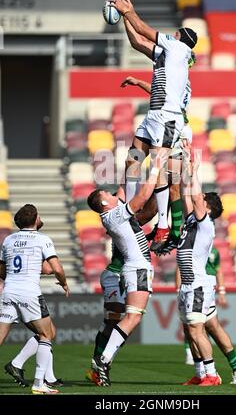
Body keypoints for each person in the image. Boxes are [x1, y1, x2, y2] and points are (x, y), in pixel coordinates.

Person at [110, 0, 197, 251]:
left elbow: (144, 30)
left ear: (181, 39)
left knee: (160, 173)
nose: (172, 35)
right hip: (154, 115)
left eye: (176, 34)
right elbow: (137, 42)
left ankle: (162, 224)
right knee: (132, 159)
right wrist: (125, 17)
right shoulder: (168, 57)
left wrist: (127, 11)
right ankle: (129, 203)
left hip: (168, 119)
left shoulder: (179, 48)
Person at [85, 151, 166, 386]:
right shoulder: (114, 215)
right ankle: (104, 360)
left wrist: (134, 159)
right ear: (103, 203)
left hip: (135, 267)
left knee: (130, 318)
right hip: (138, 268)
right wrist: (156, 167)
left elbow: (125, 185)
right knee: (131, 318)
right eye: (108, 195)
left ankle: (103, 360)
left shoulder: (111, 212)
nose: (114, 195)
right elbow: (140, 198)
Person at [120, 69, 194, 254]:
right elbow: (157, 92)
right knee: (132, 162)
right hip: (152, 120)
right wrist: (138, 82)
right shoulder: (165, 73)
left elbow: (165, 96)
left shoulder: (181, 80)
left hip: (171, 124)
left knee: (171, 181)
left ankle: (170, 229)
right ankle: (129, 211)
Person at [0, 204, 69, 394]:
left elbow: (1, 269)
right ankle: (39, 383)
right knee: (47, 335)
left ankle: (17, 364)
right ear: (36, 219)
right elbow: (56, 268)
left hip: (8, 291)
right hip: (29, 293)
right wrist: (63, 283)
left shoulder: (8, 240)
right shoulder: (42, 239)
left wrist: (15, 280)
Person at [177, 141, 223, 386]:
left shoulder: (205, 223)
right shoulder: (192, 220)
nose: (198, 199)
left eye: (202, 199)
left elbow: (194, 195)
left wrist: (194, 166)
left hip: (197, 283)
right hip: (187, 284)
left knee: (197, 329)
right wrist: (186, 163)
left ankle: (212, 374)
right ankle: (200, 373)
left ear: (207, 207)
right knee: (189, 329)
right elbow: (187, 194)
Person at [181, 247, 236, 385]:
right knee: (198, 328)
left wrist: (222, 291)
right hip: (193, 284)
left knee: (202, 327)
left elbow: (217, 270)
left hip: (201, 285)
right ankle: (205, 372)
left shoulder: (204, 246)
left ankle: (213, 373)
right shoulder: (196, 244)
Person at [4, 258, 63, 388]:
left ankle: (48, 377)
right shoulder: (34, 243)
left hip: (9, 290)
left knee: (46, 333)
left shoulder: (10, 242)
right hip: (24, 293)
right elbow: (48, 269)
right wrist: (56, 264)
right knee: (47, 333)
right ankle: (18, 366)